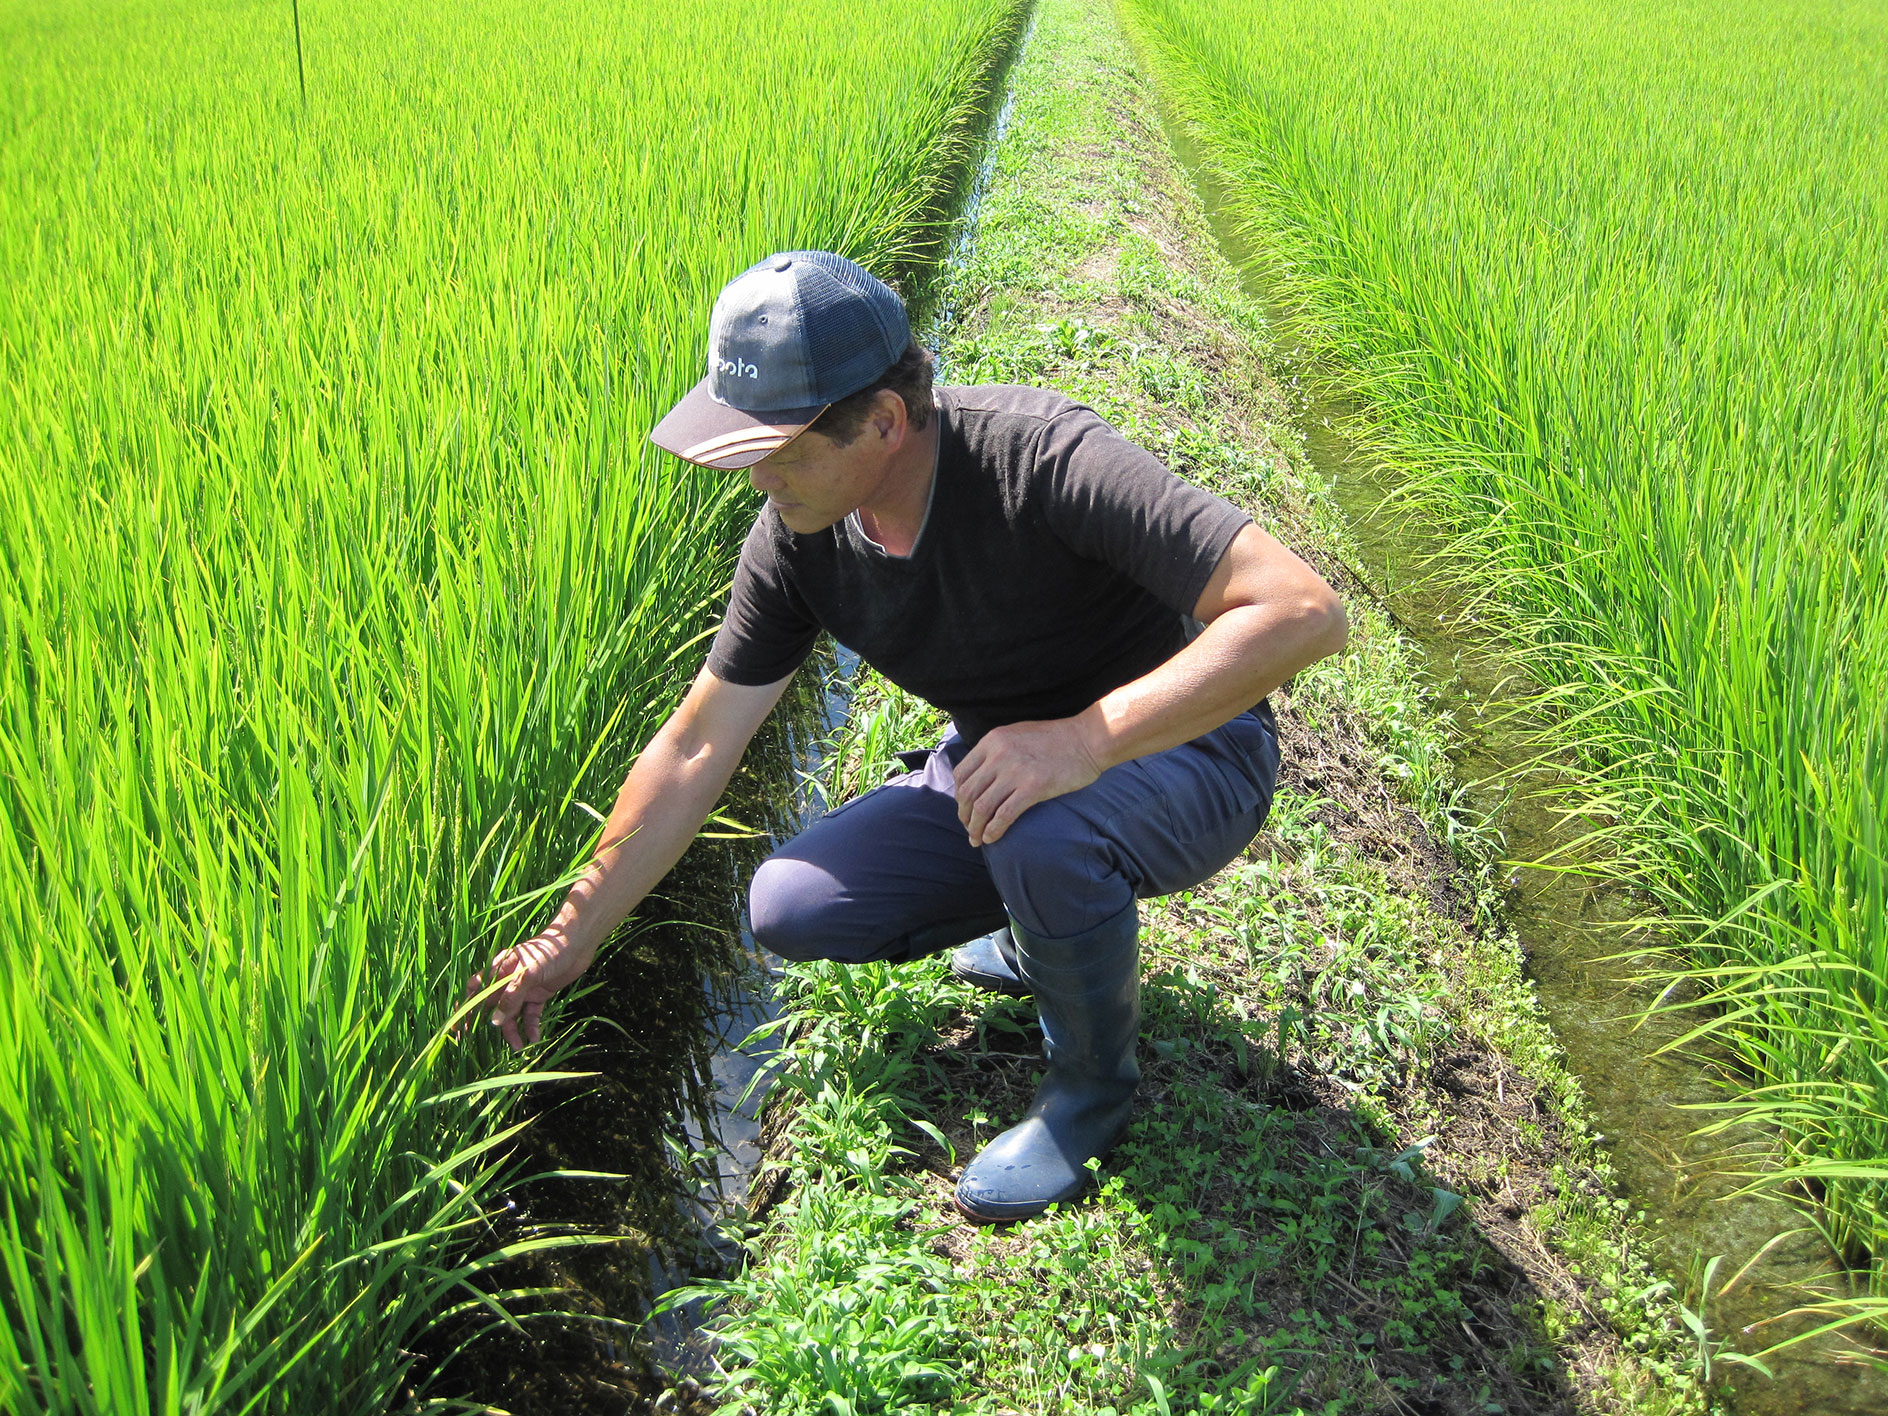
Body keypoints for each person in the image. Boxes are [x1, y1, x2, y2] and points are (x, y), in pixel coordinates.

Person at [465, 250, 1347, 1222]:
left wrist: (1085, 740)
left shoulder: (1040, 458)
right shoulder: (800, 538)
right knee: (790, 904)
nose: (758, 480)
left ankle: (1089, 1092)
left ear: (883, 421)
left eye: (780, 449)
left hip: (1189, 752)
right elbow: (693, 746)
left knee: (1041, 828)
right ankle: (1035, 933)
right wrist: (569, 934)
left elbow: (1302, 610)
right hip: (1011, 763)